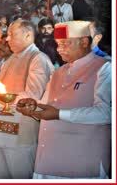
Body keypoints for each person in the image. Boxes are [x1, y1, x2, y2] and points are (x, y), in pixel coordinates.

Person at [16, 20, 111, 179]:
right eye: (58, 44)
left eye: (65, 44)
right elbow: (46, 108)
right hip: (47, 161)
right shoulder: (58, 72)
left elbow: (106, 113)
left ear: (84, 42)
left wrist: (59, 114)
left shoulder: (105, 67)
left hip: (82, 164)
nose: (59, 49)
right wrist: (33, 108)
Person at [0, 19, 54, 179]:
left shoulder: (38, 59)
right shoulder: (10, 60)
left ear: (28, 35)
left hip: (19, 134)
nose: (7, 39)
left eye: (12, 35)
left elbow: (33, 96)